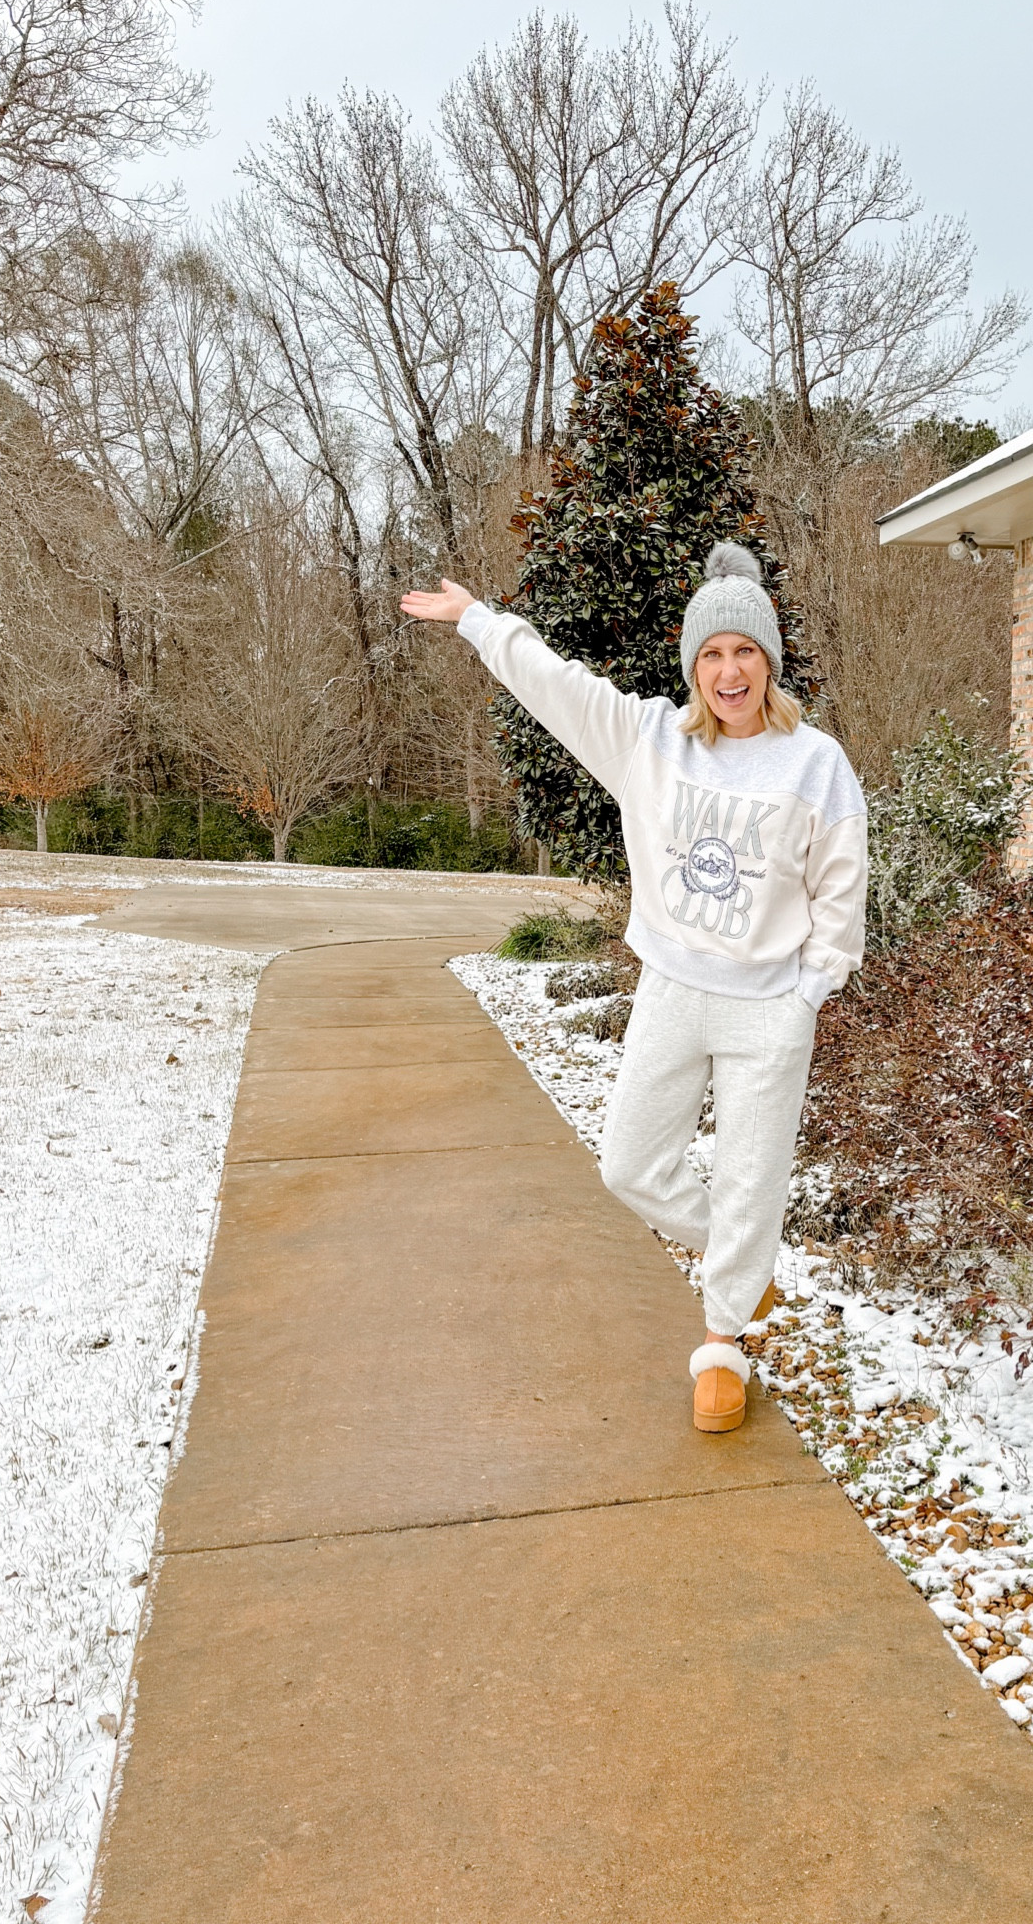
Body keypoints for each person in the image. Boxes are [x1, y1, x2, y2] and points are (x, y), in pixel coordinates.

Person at [401, 543, 868, 1433]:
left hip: (770, 1007)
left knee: (752, 1174)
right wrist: (477, 620)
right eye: (711, 655)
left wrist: (808, 994)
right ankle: (744, 1262)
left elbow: (840, 894)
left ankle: (723, 1345)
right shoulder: (647, 739)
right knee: (631, 1166)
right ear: (693, 667)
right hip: (672, 993)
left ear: (769, 661)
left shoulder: (818, 763)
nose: (728, 672)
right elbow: (555, 684)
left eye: (744, 652)